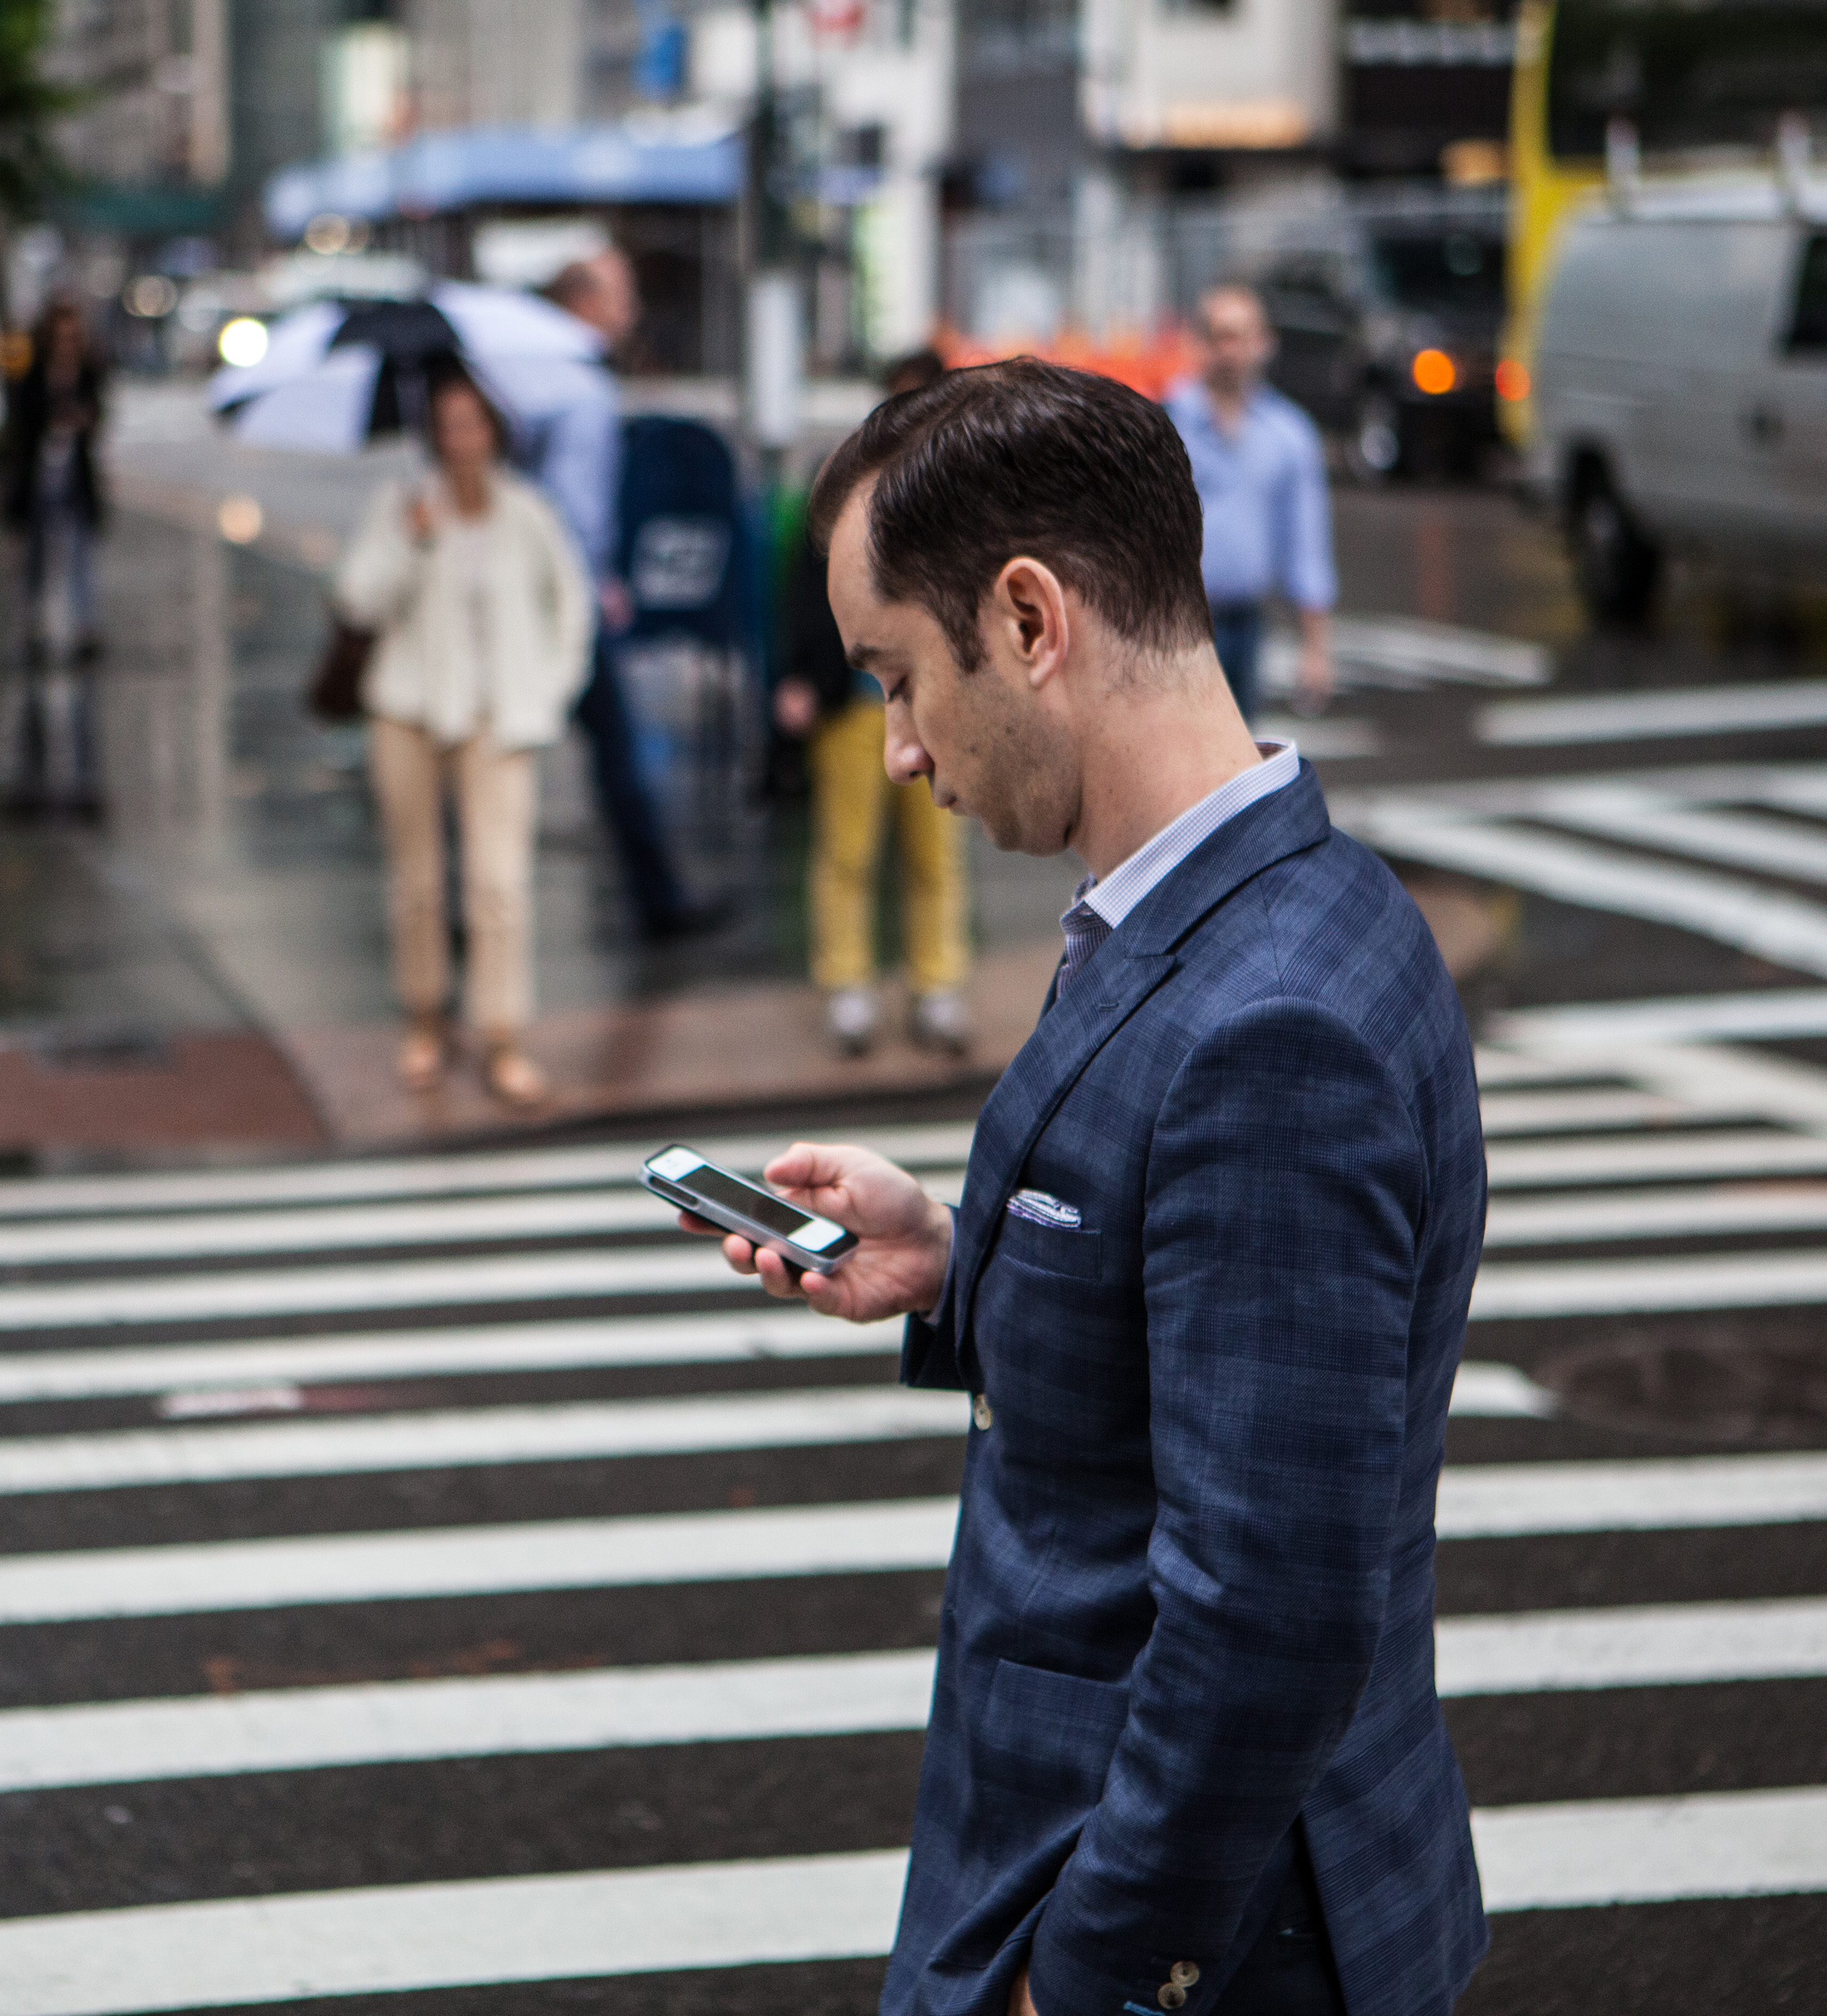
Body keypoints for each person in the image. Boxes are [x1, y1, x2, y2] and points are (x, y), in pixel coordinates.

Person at [686, 360, 1487, 2016]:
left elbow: (1267, 1610)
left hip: (1188, 1937)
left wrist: (1093, 1964)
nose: (898, 750)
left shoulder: (1271, 1024)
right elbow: (1214, 1328)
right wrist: (960, 1261)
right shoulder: (1278, 902)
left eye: (899, 677)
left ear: (1031, 620)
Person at [333, 363, 592, 1109]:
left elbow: (567, 607)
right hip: (408, 713)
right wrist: (409, 542)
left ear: (493, 432)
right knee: (415, 880)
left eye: (473, 424)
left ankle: (501, 1036)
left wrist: (548, 693)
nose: (462, 440)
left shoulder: (526, 512)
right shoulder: (403, 506)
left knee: (498, 884)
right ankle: (424, 1018)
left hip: (496, 718)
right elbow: (356, 599)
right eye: (448, 426)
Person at [775, 347, 972, 1057]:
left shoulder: (963, 496)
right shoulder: (844, 485)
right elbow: (803, 582)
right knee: (846, 850)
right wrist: (797, 674)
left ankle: (937, 984)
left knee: (935, 850)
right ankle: (849, 986)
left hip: (939, 700)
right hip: (852, 696)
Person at [535, 246, 726, 941]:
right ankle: (659, 901)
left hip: (560, 592)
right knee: (610, 750)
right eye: (620, 295)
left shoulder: (554, 379)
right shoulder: (570, 385)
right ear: (582, 303)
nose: (632, 312)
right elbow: (568, 504)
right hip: (562, 600)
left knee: (590, 749)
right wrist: (591, 581)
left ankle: (659, 897)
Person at [1165, 285, 1336, 721]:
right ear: (1200, 342)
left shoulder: (1289, 434)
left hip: (1248, 622)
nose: (1230, 350)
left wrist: (1315, 649)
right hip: (1176, 623)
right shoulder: (1165, 424)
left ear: (1265, 343)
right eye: (1219, 335)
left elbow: (1307, 545)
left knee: (1242, 753)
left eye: (1241, 336)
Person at [2, 297, 107, 664]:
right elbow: (19, 421)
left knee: (79, 553)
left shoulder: (88, 371)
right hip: (39, 475)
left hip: (75, 476)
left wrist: (81, 419)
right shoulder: (32, 372)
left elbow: (99, 416)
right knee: (35, 555)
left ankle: (85, 629)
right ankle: (34, 629)